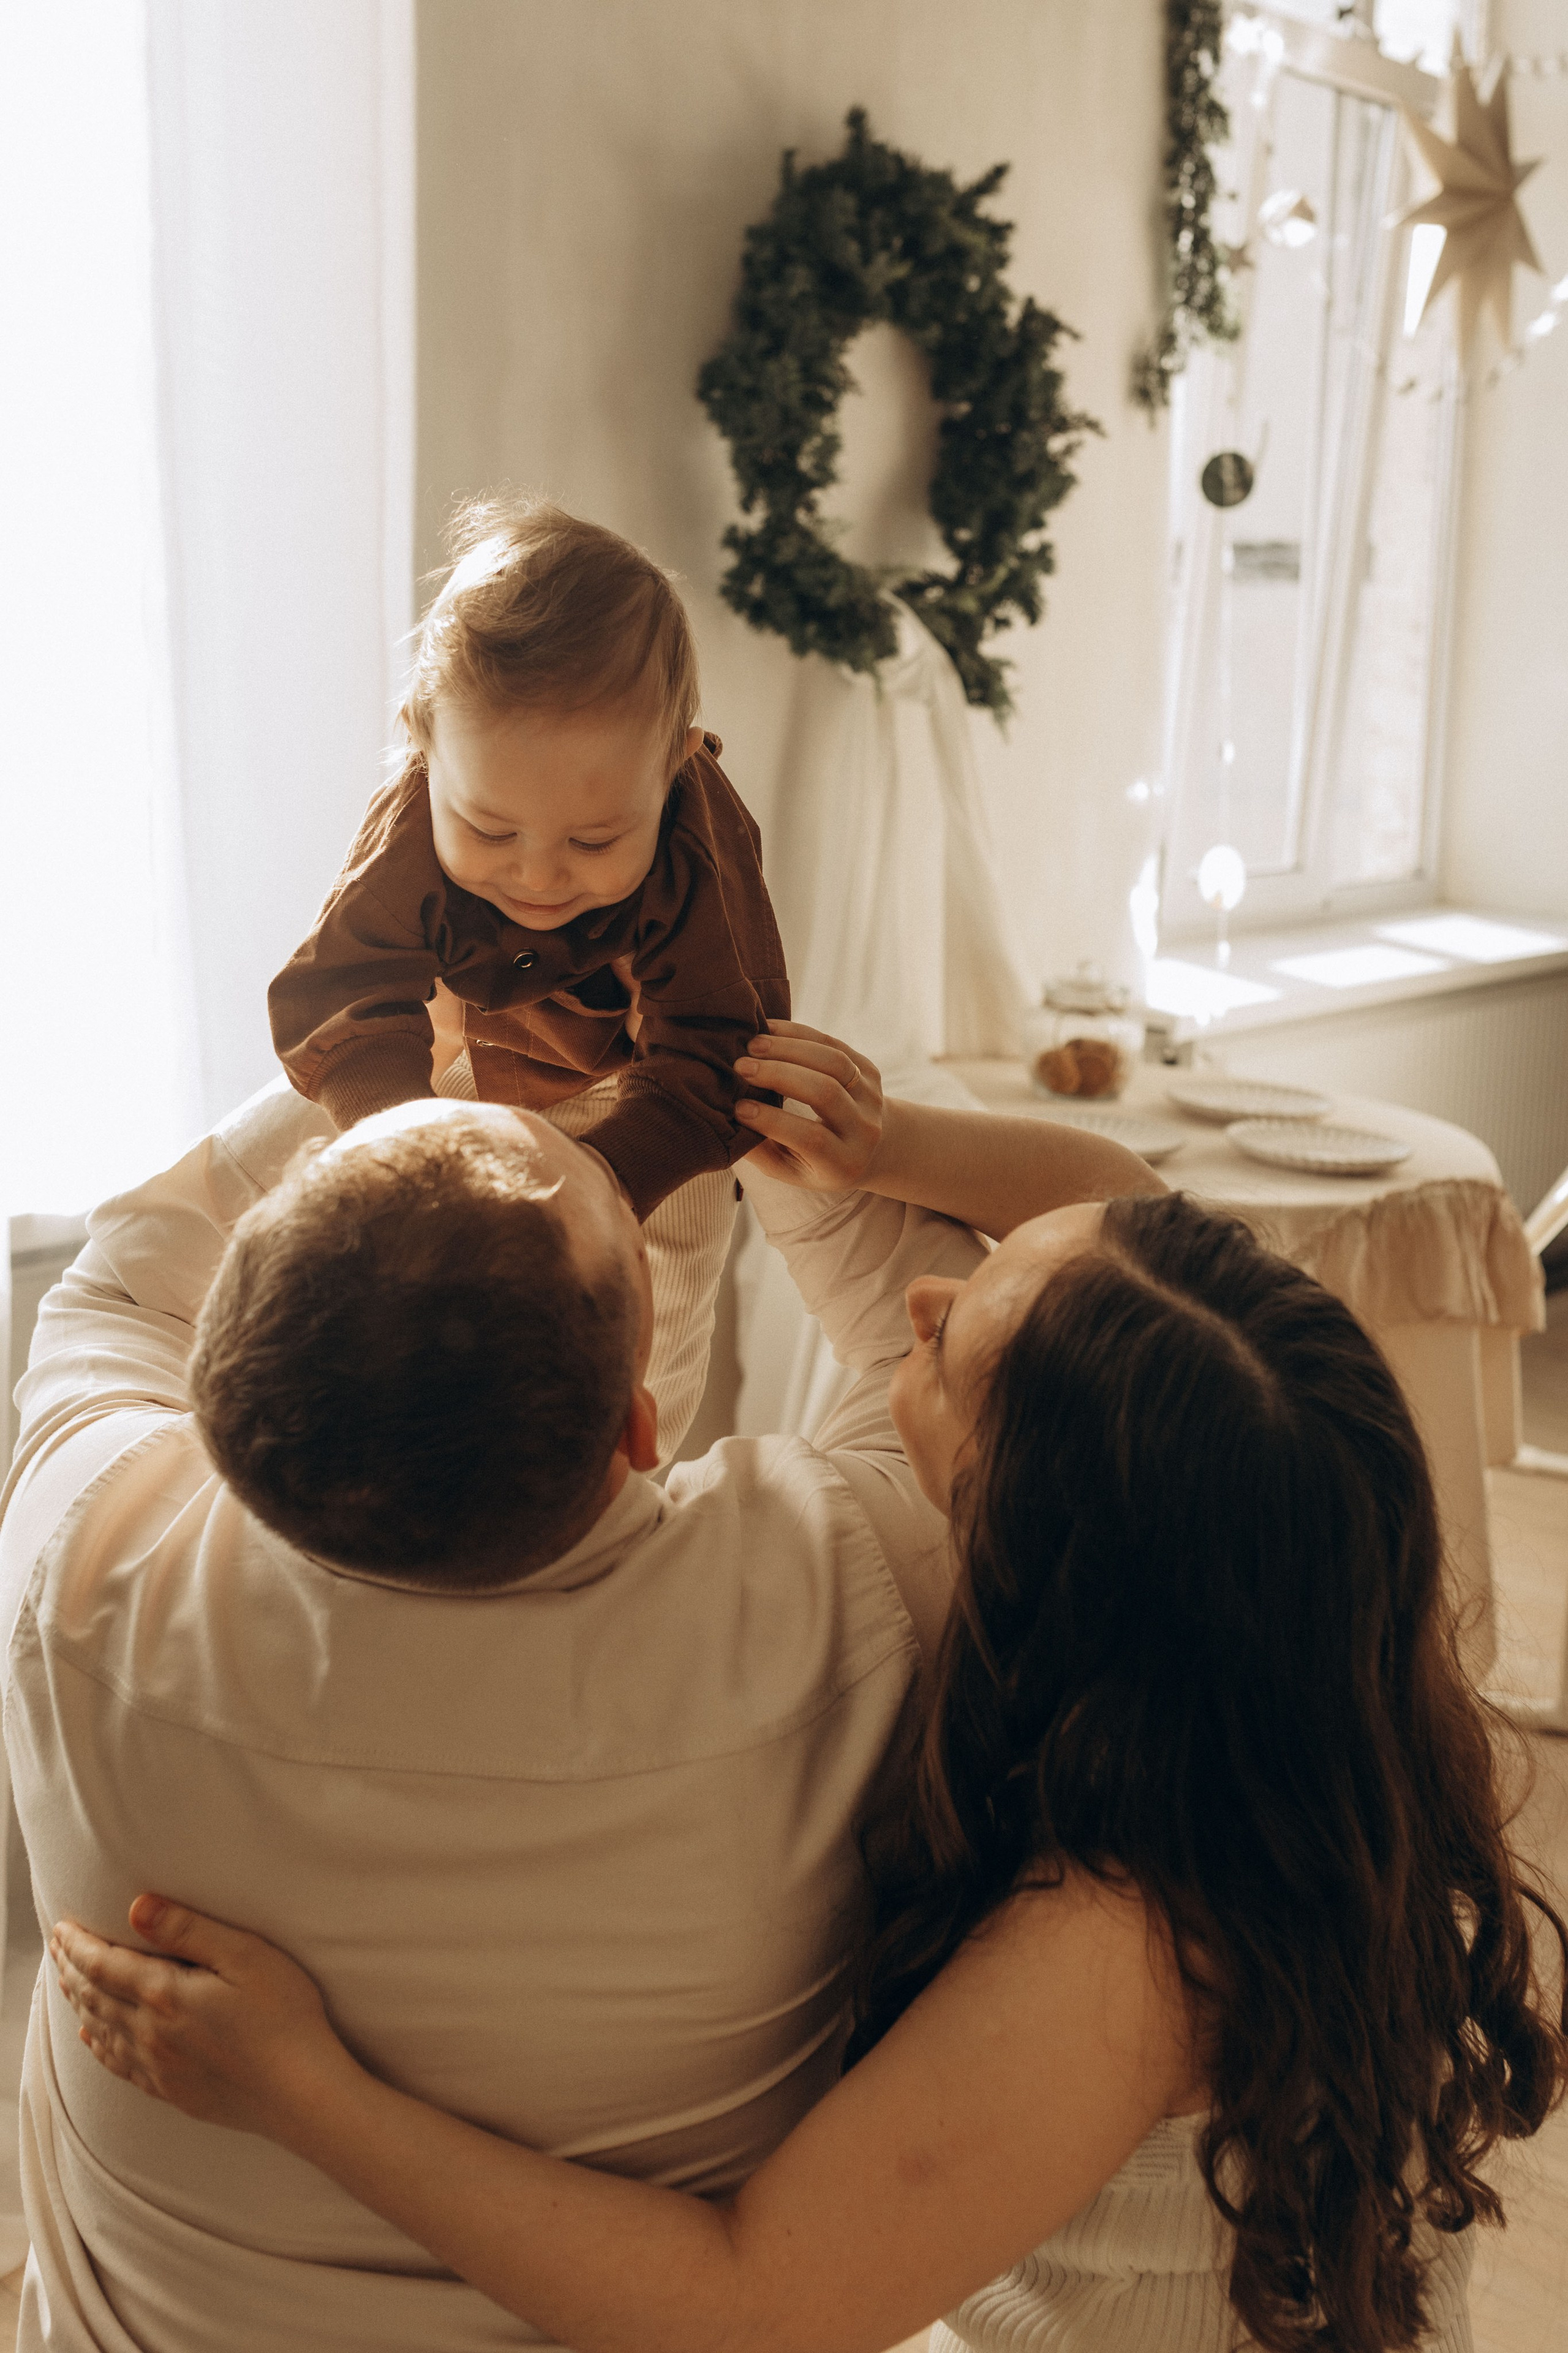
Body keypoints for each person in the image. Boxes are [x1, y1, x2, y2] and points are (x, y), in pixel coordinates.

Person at [51, 1087, 1568, 2353]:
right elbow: (1118, 1199)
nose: (923, 1288)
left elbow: (754, 2300)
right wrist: (873, 1135)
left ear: (1019, 1533)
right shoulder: (1264, 1530)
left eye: (948, 1350)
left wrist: (306, 2092)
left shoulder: (1122, 1946)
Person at [1, 1021, 1161, 2352]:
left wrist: (375, 1051)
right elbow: (953, 1343)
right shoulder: (843, 1587)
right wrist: (726, 1066)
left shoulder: (81, 1551)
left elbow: (114, 1294)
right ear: (638, 1425)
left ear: (226, 1370)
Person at [269, 493, 790, 1222]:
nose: (540, 876)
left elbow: (719, 1052)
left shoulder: (695, 842)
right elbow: (342, 998)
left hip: (653, 1081)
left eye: (594, 841)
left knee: (663, 1280)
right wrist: (408, 1143)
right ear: (424, 747)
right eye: (490, 831)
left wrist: (603, 1182)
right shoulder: (410, 817)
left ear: (676, 765)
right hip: (464, 1045)